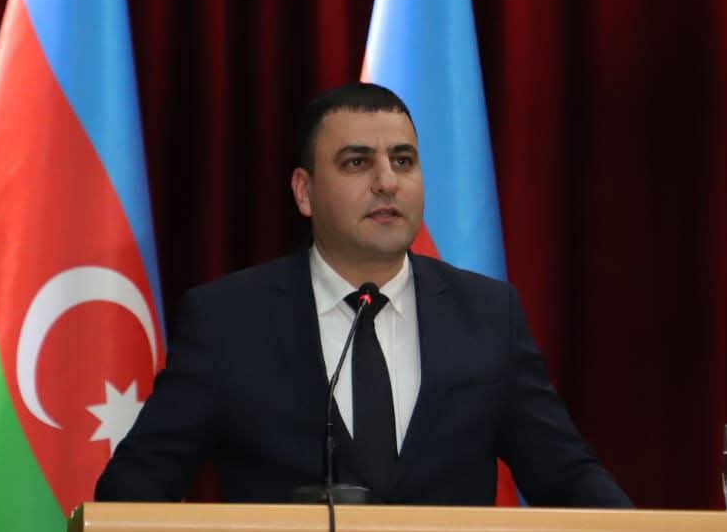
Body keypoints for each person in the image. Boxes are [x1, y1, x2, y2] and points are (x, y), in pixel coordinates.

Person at [94, 82, 630, 507]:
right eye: (357, 162)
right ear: (304, 192)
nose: (387, 182)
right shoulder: (229, 321)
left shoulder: (489, 315)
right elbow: (134, 487)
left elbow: (566, 476)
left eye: (403, 161)